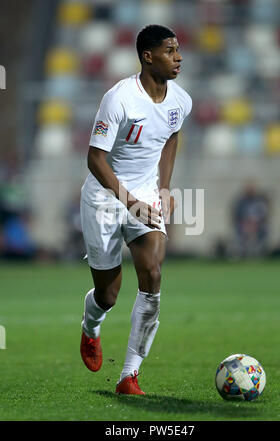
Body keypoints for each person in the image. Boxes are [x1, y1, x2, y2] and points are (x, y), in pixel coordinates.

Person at [79, 24, 192, 395]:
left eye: (178, 50)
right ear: (148, 56)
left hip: (146, 194)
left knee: (153, 274)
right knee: (108, 295)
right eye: (170, 51)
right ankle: (91, 326)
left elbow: (170, 137)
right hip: (105, 196)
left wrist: (163, 188)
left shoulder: (181, 100)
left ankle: (129, 375)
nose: (178, 57)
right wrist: (129, 202)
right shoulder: (120, 98)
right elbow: (95, 159)